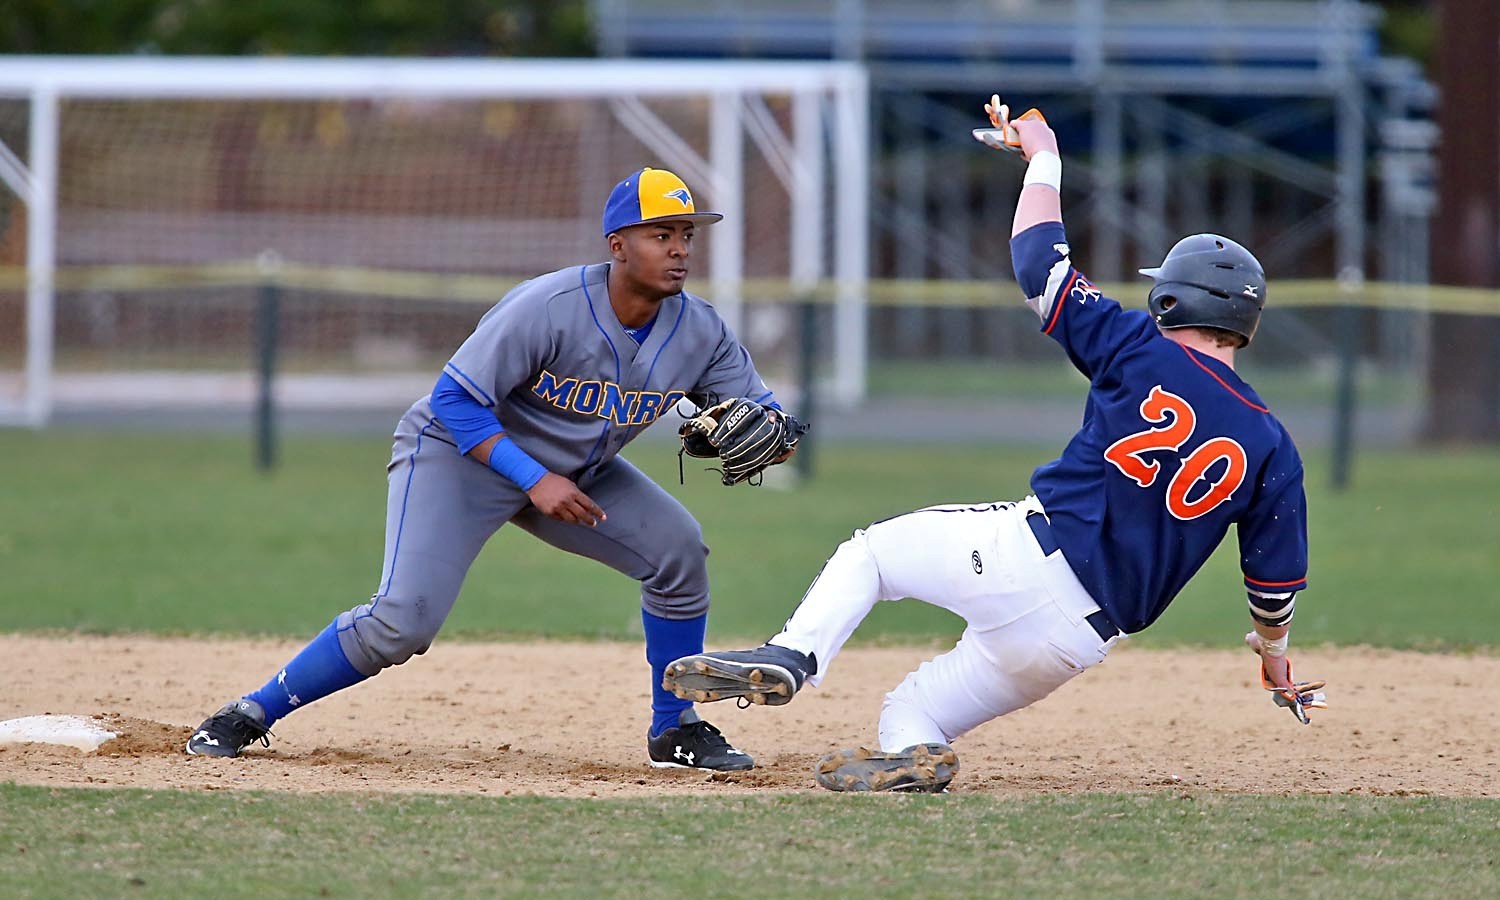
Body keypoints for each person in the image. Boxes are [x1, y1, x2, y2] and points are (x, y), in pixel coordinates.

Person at [663, 102, 1326, 792]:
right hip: (1076, 643)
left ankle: (793, 656)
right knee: (913, 711)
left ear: (1171, 302)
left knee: (871, 555)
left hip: (1023, 561)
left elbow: (1039, 260)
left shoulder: (1137, 347)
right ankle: (916, 754)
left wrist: (1044, 157)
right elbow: (1271, 588)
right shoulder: (1271, 444)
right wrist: (1274, 658)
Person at [186, 167, 800, 772]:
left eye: (686, 234)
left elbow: (765, 415)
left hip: (576, 474)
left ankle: (676, 729)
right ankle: (249, 713)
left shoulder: (700, 331)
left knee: (679, 552)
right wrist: (534, 479)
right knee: (401, 624)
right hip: (457, 457)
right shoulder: (550, 306)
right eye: (659, 233)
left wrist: (776, 434)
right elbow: (454, 399)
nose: (679, 249)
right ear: (617, 245)